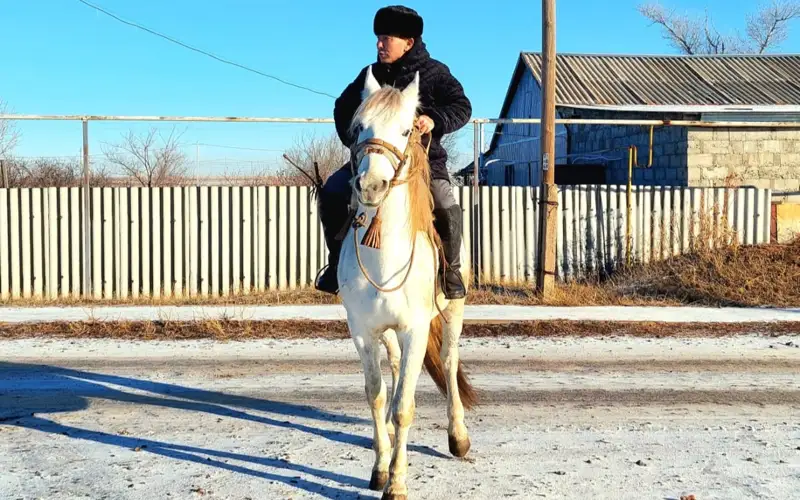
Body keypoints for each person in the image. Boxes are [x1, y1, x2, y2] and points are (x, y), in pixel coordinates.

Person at [315, 5, 472, 300]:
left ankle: (450, 271)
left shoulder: (435, 73)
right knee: (331, 193)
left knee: (444, 203)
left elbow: (462, 107)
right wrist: (356, 143)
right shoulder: (370, 74)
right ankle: (336, 262)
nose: (379, 45)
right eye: (378, 38)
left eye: (386, 38)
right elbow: (342, 107)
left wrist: (434, 119)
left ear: (408, 42)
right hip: (373, 160)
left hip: (423, 163)